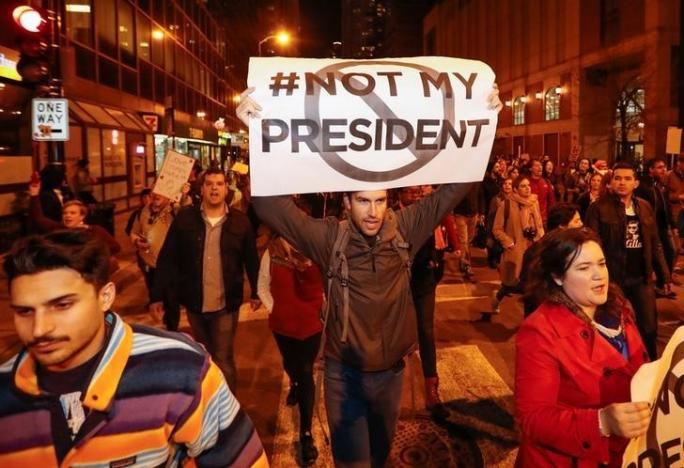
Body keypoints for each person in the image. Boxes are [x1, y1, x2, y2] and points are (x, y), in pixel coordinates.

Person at [237, 85, 502, 467]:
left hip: (392, 376)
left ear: (389, 201)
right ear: (346, 203)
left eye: (379, 200)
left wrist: (486, 120)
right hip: (344, 377)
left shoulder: (407, 228)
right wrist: (257, 135)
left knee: (381, 457)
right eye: (363, 201)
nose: (373, 212)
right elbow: (266, 203)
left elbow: (456, 187)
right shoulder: (330, 238)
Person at [0, 230, 267, 466]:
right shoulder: (5, 392)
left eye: (62, 305)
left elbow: (240, 459)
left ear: (105, 296)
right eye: (25, 311)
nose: (39, 329)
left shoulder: (179, 369)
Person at [516, 228, 650, 467]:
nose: (599, 276)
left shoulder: (619, 309)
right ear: (558, 277)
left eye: (601, 263)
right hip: (572, 459)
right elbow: (533, 419)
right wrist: (601, 422)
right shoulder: (540, 331)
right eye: (584, 268)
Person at [150, 168, 261, 392]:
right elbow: (168, 257)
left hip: (225, 304)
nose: (214, 188)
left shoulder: (240, 222)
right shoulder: (185, 218)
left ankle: (229, 409)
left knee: (223, 357)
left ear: (226, 189)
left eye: (219, 184)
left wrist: (257, 291)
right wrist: (156, 295)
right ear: (202, 189)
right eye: (209, 183)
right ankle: (210, 398)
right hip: (194, 303)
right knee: (205, 355)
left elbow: (251, 259)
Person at [586, 162, 671, 360]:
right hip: (612, 279)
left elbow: (655, 242)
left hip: (641, 277)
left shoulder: (645, 207)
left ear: (636, 183)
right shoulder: (597, 208)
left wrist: (663, 274)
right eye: (617, 178)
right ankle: (614, 370)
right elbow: (591, 245)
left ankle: (649, 368)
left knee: (649, 328)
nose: (622, 183)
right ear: (610, 182)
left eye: (627, 178)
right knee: (611, 328)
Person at [257, 234, 324, 466]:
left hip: (311, 324)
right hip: (282, 326)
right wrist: (275, 309)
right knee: (290, 364)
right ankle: (294, 382)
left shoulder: (315, 248)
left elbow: (328, 282)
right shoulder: (272, 251)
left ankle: (305, 433)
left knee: (306, 370)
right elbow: (262, 286)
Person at [398, 185, 460, 417]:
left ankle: (431, 388)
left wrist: (433, 266)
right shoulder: (390, 215)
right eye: (410, 192)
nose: (415, 196)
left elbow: (435, 246)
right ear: (400, 194)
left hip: (423, 281)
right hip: (397, 286)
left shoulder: (425, 213)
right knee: (396, 333)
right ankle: (391, 389)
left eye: (417, 192)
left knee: (426, 331)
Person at [488, 175, 544, 318]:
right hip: (516, 250)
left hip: (533, 248)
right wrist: (509, 242)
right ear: (515, 189)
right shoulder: (506, 204)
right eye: (523, 186)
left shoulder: (533, 203)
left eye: (528, 185)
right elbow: (497, 229)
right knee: (512, 284)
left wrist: (541, 238)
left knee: (531, 285)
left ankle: (529, 320)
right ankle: (498, 296)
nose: (527, 188)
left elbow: (539, 224)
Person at [520, 203, 583, 316]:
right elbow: (528, 286)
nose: (581, 225)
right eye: (577, 221)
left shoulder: (570, 247)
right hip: (546, 315)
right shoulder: (543, 251)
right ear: (562, 226)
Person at [28, 180, 120, 257]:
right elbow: (38, 219)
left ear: (82, 216)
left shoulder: (94, 230)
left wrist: (90, 253)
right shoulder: (59, 228)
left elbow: (115, 247)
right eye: (65, 213)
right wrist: (34, 194)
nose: (68, 215)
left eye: (73, 213)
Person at [130, 192, 178, 330]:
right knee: (154, 294)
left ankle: (172, 328)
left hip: (170, 264)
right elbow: (133, 231)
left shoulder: (174, 211)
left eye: (161, 193)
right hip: (149, 262)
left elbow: (186, 208)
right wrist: (137, 241)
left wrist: (185, 196)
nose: (156, 196)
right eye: (154, 193)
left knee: (171, 298)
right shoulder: (142, 212)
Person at [636, 157, 678, 296]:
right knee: (654, 255)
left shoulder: (661, 186)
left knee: (671, 252)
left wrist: (673, 225)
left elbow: (667, 206)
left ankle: (663, 282)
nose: (663, 170)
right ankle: (659, 284)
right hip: (650, 227)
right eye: (659, 167)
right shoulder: (643, 187)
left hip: (663, 226)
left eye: (664, 167)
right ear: (651, 170)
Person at [529, 159, 556, 227]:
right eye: (537, 165)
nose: (540, 167)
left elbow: (551, 201)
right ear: (530, 169)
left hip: (543, 219)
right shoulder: (526, 182)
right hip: (529, 218)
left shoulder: (546, 182)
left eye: (541, 165)